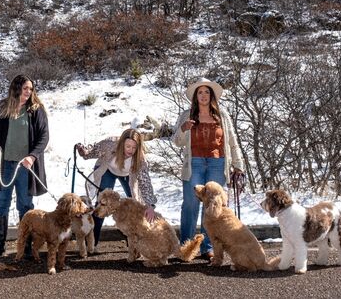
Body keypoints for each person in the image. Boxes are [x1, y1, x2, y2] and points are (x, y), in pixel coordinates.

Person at [171, 77, 244, 259]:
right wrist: (183, 128)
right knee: (190, 204)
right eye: (200, 92)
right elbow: (176, 142)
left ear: (211, 96)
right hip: (194, 163)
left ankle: (207, 247)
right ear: (195, 96)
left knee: (212, 206)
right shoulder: (186, 115)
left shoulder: (222, 115)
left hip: (217, 163)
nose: (203, 95)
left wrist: (238, 166)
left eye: (207, 92)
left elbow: (232, 142)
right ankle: (186, 247)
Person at [0, 74, 49, 258]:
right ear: (16, 88)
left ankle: (26, 244)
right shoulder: (3, 107)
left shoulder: (36, 109)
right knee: (1, 203)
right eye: (25, 88)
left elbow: (44, 137)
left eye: (31, 88)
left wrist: (32, 156)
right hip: (4, 164)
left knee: (25, 205)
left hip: (26, 167)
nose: (29, 92)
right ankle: (0, 243)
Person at [75, 128, 157, 247]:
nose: (131, 150)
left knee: (135, 204)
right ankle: (92, 244)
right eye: (128, 146)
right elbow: (93, 150)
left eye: (134, 148)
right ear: (121, 143)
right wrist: (84, 152)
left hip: (128, 175)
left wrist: (150, 205)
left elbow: (145, 183)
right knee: (102, 204)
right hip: (108, 171)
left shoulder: (140, 159)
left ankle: (134, 245)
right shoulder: (110, 144)